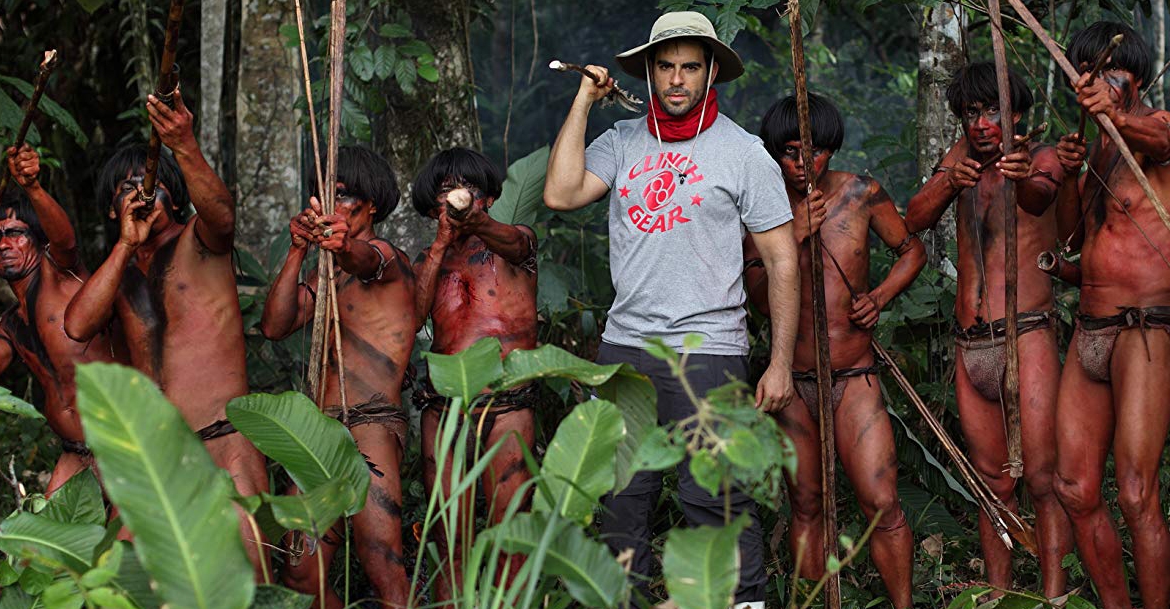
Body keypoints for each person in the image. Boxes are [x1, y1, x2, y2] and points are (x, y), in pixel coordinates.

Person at [540, 11, 799, 607]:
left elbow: (782, 262)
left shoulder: (743, 153)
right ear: (650, 73)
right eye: (665, 67)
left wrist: (778, 361)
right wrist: (584, 100)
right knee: (621, 499)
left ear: (710, 74)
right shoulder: (621, 141)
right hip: (627, 348)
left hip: (710, 350)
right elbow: (560, 193)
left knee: (716, 498)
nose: (677, 79)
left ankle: (742, 602)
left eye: (690, 66)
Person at [63, 89, 269, 577]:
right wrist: (123, 247)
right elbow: (77, 325)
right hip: (157, 458)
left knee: (252, 581)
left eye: (150, 182)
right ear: (113, 210)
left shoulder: (201, 242)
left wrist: (184, 144)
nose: (141, 190)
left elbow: (223, 215)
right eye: (126, 188)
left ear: (173, 195)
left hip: (224, 440)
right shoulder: (118, 272)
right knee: (129, 584)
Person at [744, 93, 923, 607]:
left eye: (817, 152)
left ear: (832, 150)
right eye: (793, 152)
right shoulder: (760, 208)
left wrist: (880, 297)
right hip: (795, 383)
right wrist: (793, 235)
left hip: (855, 379)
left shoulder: (861, 193)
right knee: (805, 503)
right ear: (774, 153)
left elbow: (912, 250)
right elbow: (755, 297)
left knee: (882, 502)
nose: (805, 164)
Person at [904, 62, 1073, 598]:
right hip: (971, 342)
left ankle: (1052, 595)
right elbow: (913, 219)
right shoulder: (959, 167)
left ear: (1016, 111)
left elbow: (1039, 198)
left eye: (992, 109)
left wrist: (1016, 171)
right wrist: (949, 176)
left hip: (1027, 334)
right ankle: (999, 594)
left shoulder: (1040, 160)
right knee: (991, 485)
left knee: (1044, 481)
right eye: (971, 113)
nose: (982, 122)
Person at [1050, 22, 1170, 609]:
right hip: (1091, 326)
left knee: (1136, 492)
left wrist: (1116, 112)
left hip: (1146, 327)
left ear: (1136, 79)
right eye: (1088, 75)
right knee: (1074, 487)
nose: (1099, 86)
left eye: (1112, 76)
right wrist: (1067, 172)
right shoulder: (1100, 155)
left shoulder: (1159, 128)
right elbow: (1071, 245)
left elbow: (1159, 139)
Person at [261, 145, 415, 608]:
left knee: (384, 567)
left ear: (371, 205)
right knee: (301, 573)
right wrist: (296, 250)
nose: (332, 205)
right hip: (319, 431)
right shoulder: (323, 276)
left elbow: (365, 260)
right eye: (323, 195)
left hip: (371, 424)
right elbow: (274, 326)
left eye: (344, 196)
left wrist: (343, 245)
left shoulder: (387, 259)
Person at [410, 147, 538, 601]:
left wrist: (475, 222)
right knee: (449, 541)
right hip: (443, 410)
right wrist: (444, 240)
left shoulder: (514, 244)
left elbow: (520, 244)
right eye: (446, 190)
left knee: (511, 533)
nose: (458, 197)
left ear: (487, 198)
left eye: (469, 189)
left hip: (507, 405)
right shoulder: (428, 259)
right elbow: (413, 318)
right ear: (431, 206)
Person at [0, 145, 128, 495]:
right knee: (41, 547)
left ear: (36, 240)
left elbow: (65, 240)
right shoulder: (11, 323)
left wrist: (33, 187)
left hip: (124, 442)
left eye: (15, 232)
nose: (4, 243)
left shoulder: (64, 275)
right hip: (76, 454)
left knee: (130, 544)